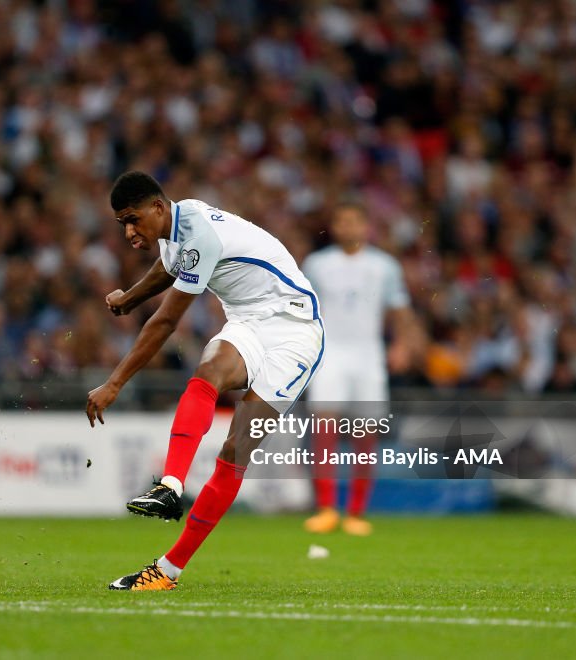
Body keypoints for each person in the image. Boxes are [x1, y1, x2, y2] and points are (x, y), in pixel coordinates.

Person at [86, 172, 325, 590]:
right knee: (209, 369)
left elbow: (164, 323)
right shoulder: (181, 221)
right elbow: (168, 266)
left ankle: (168, 569)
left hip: (295, 329)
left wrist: (114, 383)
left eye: (132, 219)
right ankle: (171, 485)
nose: (128, 231)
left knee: (236, 448)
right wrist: (130, 298)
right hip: (249, 321)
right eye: (121, 223)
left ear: (157, 208)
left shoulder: (199, 236)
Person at [300, 202, 411, 536]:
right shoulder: (317, 264)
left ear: (366, 227)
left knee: (366, 434)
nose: (348, 227)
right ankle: (326, 509)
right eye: (341, 221)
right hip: (330, 353)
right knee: (324, 431)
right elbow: (305, 308)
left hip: (368, 355)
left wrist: (401, 344)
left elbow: (399, 308)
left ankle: (357, 512)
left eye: (354, 222)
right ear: (334, 227)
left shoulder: (384, 266)